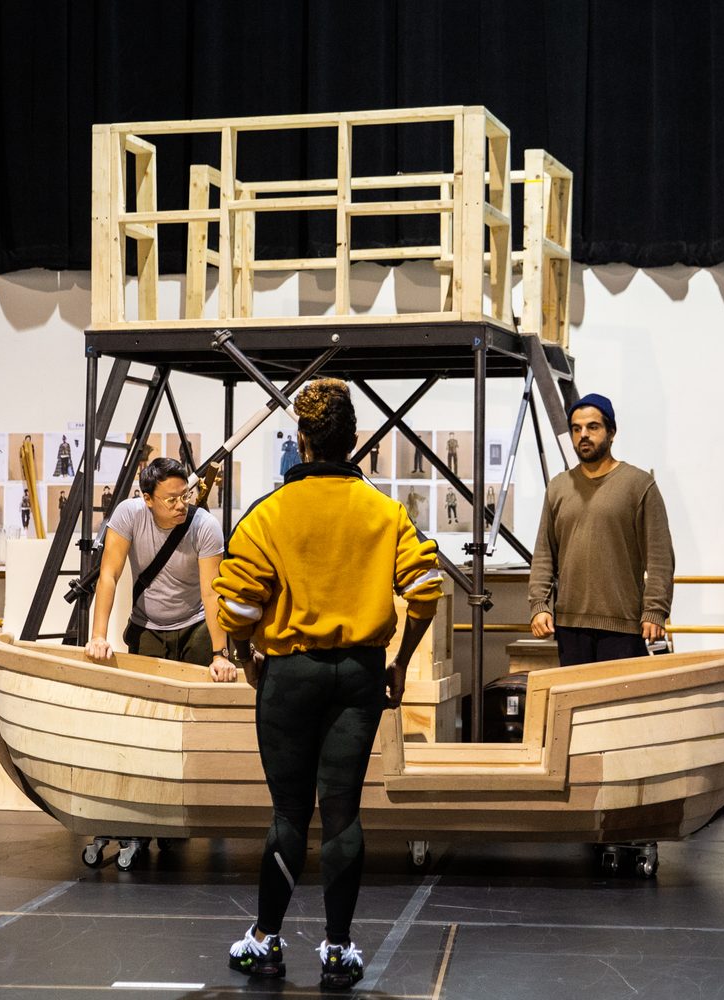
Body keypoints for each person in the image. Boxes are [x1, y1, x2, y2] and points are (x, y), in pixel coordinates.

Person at [215, 378, 443, 990]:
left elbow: (237, 605)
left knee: (289, 813)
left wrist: (242, 655)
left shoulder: (269, 514)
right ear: (354, 440)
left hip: (288, 677)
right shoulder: (385, 512)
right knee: (342, 814)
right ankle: (338, 951)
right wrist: (401, 661)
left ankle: (265, 942)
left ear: (303, 440)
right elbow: (425, 590)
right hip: (359, 676)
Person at [529, 393, 675, 664]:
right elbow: (544, 554)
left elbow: (660, 557)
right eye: (576, 429)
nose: (583, 435)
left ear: (611, 432)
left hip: (624, 626)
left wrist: (655, 611)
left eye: (592, 427)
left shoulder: (638, 485)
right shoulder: (558, 487)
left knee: (621, 694)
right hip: (570, 626)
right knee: (575, 693)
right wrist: (539, 605)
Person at [86, 458, 234, 680]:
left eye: (185, 495)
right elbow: (109, 575)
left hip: (196, 625)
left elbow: (212, 593)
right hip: (147, 627)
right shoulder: (129, 515)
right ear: (147, 499)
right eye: (171, 500)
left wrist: (220, 654)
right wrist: (98, 636)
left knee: (200, 692)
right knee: (144, 692)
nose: (181, 505)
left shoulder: (205, 526)